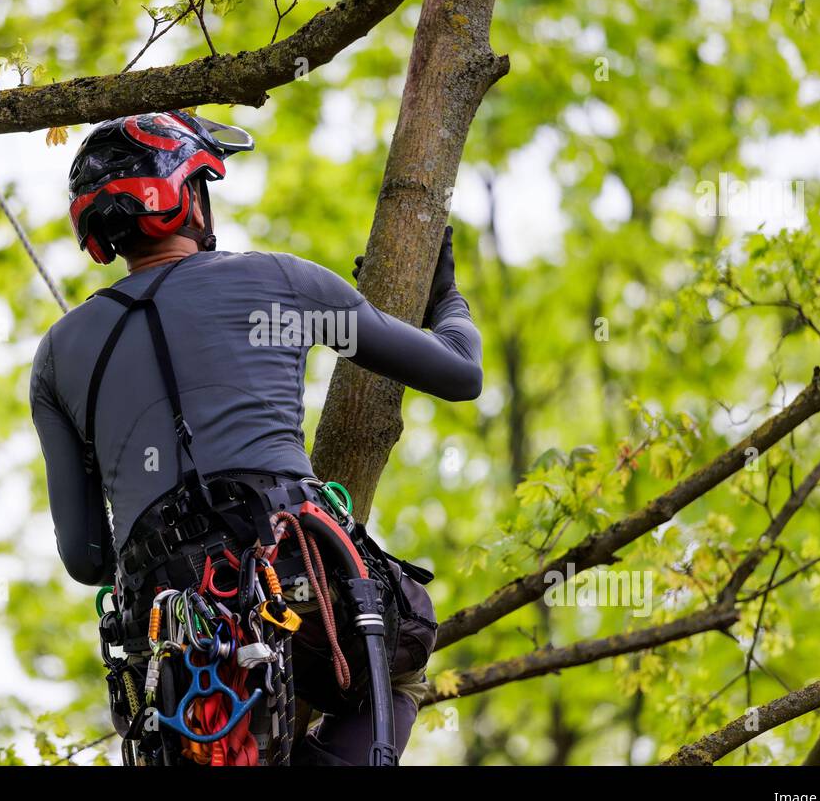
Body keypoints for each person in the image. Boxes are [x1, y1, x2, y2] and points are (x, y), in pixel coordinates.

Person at [29, 109, 482, 765]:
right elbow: (460, 372)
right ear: (187, 199)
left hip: (170, 624)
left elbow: (86, 557)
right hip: (295, 564)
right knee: (401, 652)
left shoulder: (56, 356)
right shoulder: (280, 282)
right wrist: (446, 301)